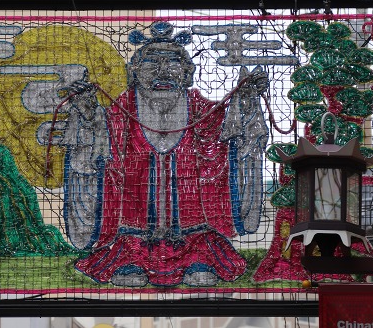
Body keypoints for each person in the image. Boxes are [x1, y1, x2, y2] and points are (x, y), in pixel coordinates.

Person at [61, 22, 269, 287]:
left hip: (193, 229)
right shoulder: (122, 108)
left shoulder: (200, 109)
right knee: (130, 253)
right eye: (152, 64)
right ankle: (131, 260)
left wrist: (246, 98)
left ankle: (197, 259)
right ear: (135, 72)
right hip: (134, 230)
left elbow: (228, 137)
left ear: (186, 72)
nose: (162, 72)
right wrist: (88, 112)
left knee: (200, 263)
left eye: (172, 64)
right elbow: (99, 144)